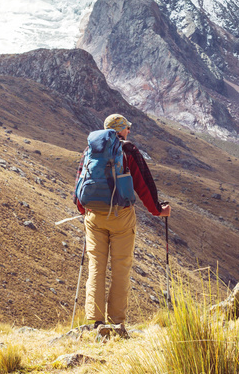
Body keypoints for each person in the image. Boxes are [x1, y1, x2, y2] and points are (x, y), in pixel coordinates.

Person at [74, 114, 171, 329]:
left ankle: (96, 322)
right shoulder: (127, 150)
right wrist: (158, 210)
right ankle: (117, 323)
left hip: (94, 216)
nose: (129, 131)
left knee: (96, 267)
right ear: (122, 130)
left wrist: (83, 209)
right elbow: (143, 183)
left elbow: (80, 181)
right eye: (127, 128)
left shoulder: (91, 148)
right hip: (121, 216)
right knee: (121, 268)